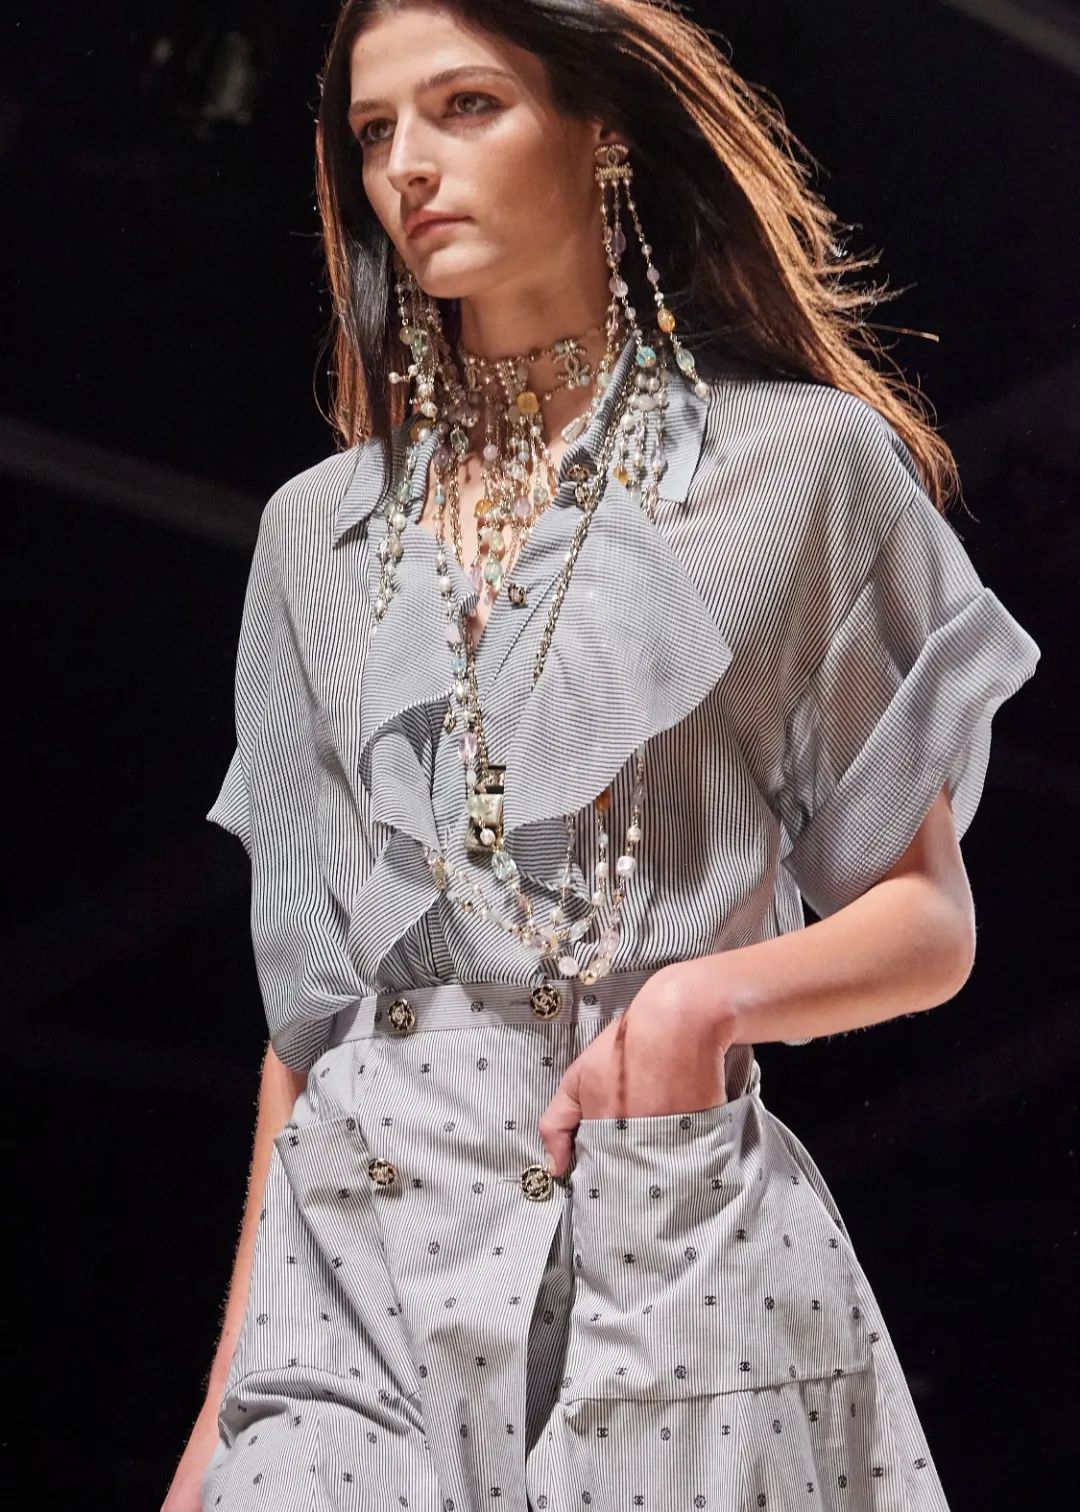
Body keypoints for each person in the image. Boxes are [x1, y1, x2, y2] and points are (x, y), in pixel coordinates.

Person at [164, 2, 1042, 1509]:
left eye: (466, 106)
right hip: (354, 1273)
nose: (407, 166)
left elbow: (927, 922)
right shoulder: (316, 535)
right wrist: (213, 1423)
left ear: (603, 131)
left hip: (652, 1207)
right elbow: (309, 1023)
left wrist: (704, 1000)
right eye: (374, 132)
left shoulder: (797, 466)